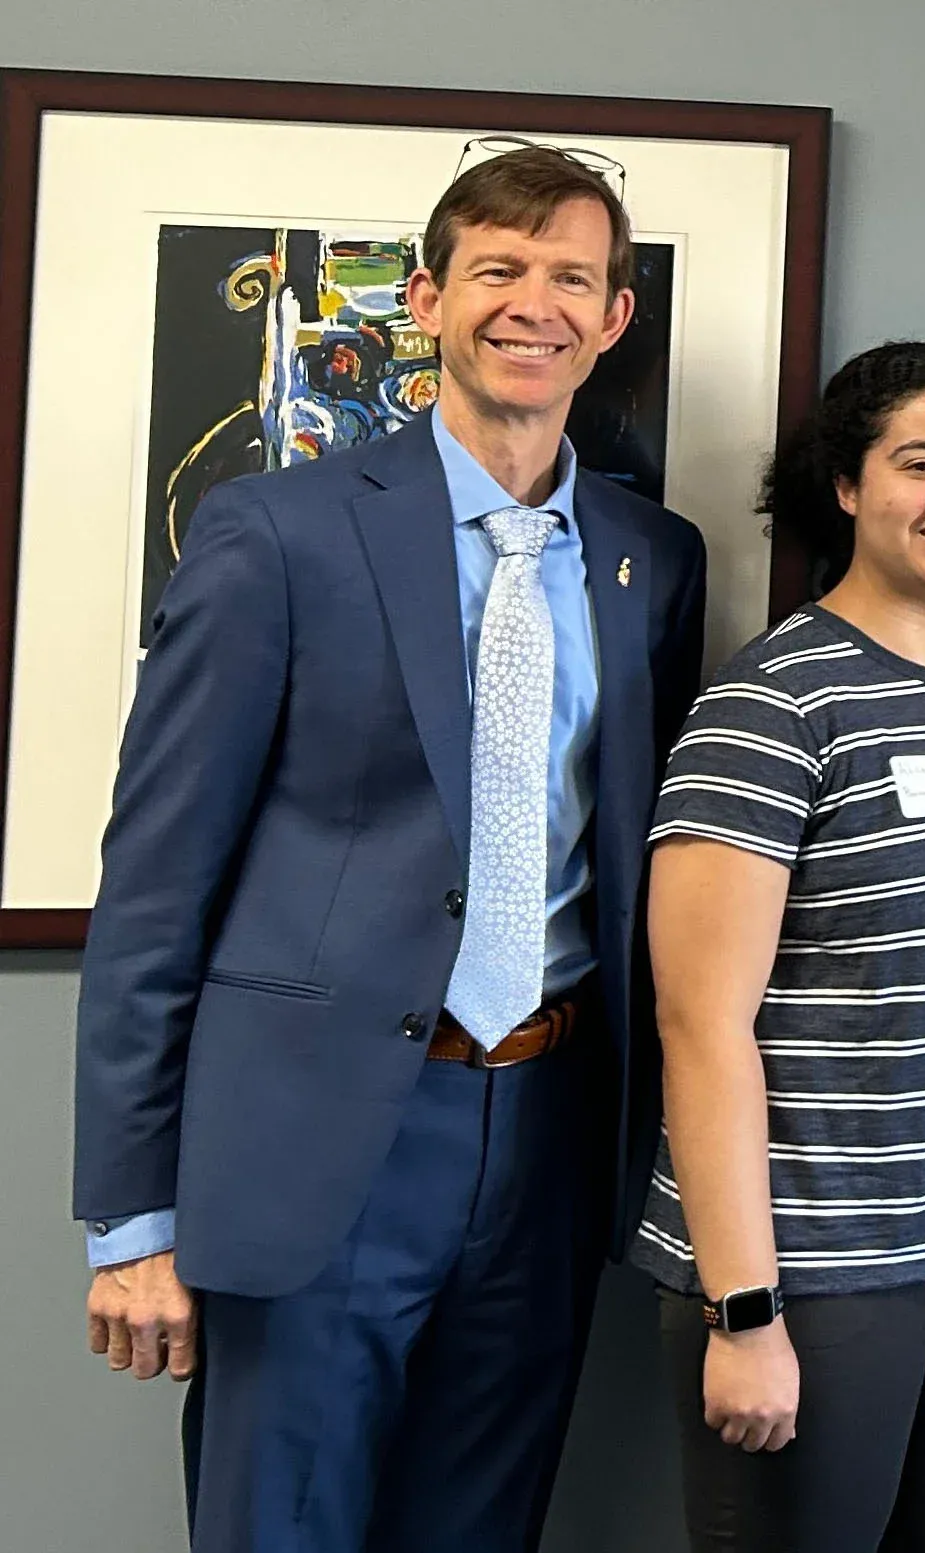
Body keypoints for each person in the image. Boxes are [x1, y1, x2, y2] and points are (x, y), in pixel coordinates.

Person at [71, 146, 706, 1553]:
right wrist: (129, 1218)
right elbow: (155, 890)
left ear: (612, 321)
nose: (531, 305)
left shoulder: (652, 559)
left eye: (571, 278)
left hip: (546, 1130)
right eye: (498, 269)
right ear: (426, 297)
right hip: (317, 1142)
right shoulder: (274, 533)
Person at [634, 342, 925, 1553]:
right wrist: (743, 1307)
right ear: (845, 484)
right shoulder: (771, 702)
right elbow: (700, 1022)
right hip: (814, 1258)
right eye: (920, 461)